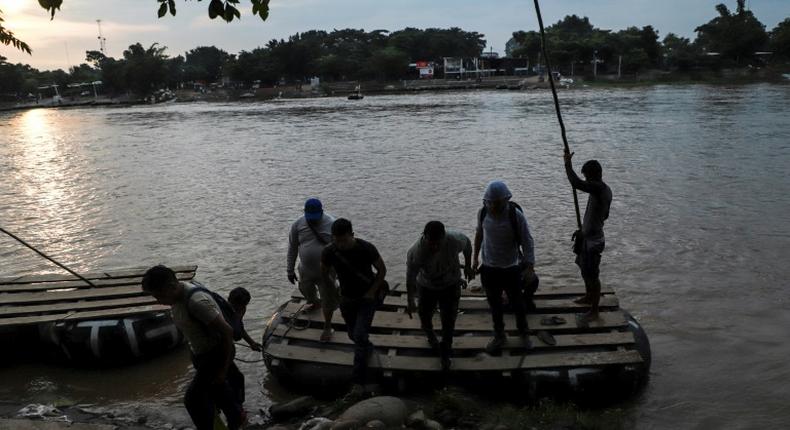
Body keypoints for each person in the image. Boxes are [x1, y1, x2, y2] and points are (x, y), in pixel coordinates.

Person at [141, 265, 242, 430]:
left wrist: (222, 369)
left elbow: (226, 332)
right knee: (219, 393)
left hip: (214, 355)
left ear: (171, 287)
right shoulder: (176, 298)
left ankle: (225, 423)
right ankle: (235, 420)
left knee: (193, 400)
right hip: (202, 355)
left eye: (158, 295)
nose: (157, 301)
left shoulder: (196, 302)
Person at [320, 218, 386, 398]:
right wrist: (333, 288)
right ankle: (367, 348)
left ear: (352, 235)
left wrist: (372, 291)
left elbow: (382, 270)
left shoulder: (366, 248)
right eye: (337, 240)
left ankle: (358, 382)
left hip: (367, 297)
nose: (340, 244)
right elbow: (324, 272)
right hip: (347, 297)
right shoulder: (329, 251)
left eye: (344, 240)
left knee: (359, 335)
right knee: (353, 335)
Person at [473, 180, 536, 355]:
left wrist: (530, 266)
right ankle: (500, 335)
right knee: (494, 305)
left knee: (518, 303)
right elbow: (478, 235)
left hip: (511, 267)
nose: (493, 206)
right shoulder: (482, 213)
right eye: (490, 202)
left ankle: (524, 334)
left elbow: (527, 241)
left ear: (506, 200)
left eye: (497, 203)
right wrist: (474, 259)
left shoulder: (515, 216)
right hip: (489, 268)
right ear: (486, 201)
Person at [406, 221, 473, 371]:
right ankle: (430, 335)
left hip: (451, 283)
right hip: (426, 285)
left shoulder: (455, 240)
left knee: (448, 320)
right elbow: (410, 277)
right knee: (424, 315)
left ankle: (445, 352)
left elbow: (468, 245)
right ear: (425, 238)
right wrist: (410, 300)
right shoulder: (416, 252)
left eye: (438, 243)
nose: (435, 247)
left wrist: (468, 265)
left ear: (444, 237)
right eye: (431, 243)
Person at [564, 152, 612, 323]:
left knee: (592, 275)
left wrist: (567, 164)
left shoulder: (598, 188)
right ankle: (588, 296)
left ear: (593, 176)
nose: (586, 180)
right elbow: (603, 215)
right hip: (588, 237)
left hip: (594, 241)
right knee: (584, 269)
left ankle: (594, 311)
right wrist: (583, 230)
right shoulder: (603, 190)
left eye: (587, 177)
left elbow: (576, 183)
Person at [287, 198, 338, 342]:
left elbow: (339, 248)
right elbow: (292, 247)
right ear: (304, 212)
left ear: (322, 211)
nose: (313, 221)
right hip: (305, 269)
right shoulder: (297, 224)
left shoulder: (331, 223)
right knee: (305, 289)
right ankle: (314, 303)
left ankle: (327, 327)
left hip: (326, 272)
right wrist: (289, 270)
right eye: (310, 217)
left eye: (316, 217)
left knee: (328, 301)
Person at [226, 287, 262, 408]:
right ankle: (236, 409)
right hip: (217, 351)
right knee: (235, 379)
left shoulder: (240, 309)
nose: (241, 310)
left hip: (226, 349)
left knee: (236, 379)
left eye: (243, 307)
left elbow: (240, 328)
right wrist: (237, 316)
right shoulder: (223, 312)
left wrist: (251, 342)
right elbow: (236, 335)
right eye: (238, 307)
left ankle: (238, 407)